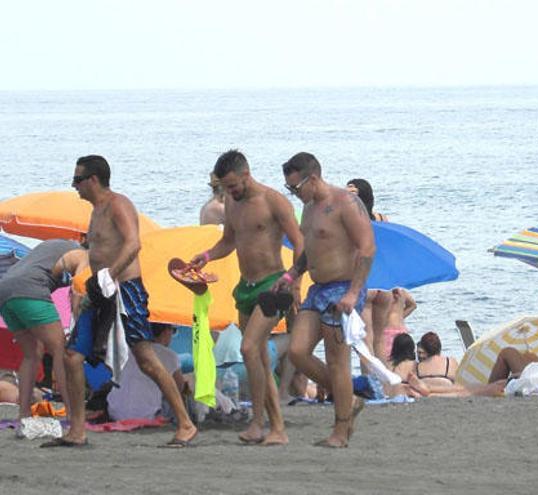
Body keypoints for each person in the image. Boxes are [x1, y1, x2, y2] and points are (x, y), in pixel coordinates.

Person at [45, 155, 197, 448]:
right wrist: (91, 281)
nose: (73, 185)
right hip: (100, 291)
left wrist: (111, 275)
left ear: (93, 179)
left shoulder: (118, 204)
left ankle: (186, 424)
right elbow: (99, 249)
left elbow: (133, 243)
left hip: (126, 290)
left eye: (77, 179)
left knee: (146, 359)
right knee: (72, 355)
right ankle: (77, 431)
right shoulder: (95, 211)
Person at [189, 150, 304, 446]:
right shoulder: (231, 203)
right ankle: (259, 425)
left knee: (249, 348)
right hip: (246, 287)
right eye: (225, 187)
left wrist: (294, 281)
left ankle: (274, 426)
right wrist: (205, 256)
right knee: (260, 359)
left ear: (246, 175)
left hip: (273, 285)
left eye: (233, 185)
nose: (229, 192)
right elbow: (228, 241)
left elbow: (301, 244)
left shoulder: (273, 201)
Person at [280, 152, 376, 448]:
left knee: (338, 363)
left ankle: (341, 430)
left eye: (296, 188)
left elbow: (367, 247)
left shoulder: (344, 203)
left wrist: (352, 293)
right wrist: (292, 274)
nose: (294, 195)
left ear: (314, 178)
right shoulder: (308, 208)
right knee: (297, 351)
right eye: (289, 190)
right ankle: (351, 399)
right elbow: (312, 247)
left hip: (344, 287)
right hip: (318, 288)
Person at [0, 239, 88, 422]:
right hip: (30, 289)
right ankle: (73, 413)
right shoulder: (85, 256)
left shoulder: (54, 245)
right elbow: (79, 288)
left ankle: (23, 414)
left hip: (5, 289)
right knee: (61, 352)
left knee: (32, 354)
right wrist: (77, 323)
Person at [107, 323, 184, 421]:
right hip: (146, 415)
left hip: (114, 412)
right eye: (173, 331)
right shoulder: (169, 355)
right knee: (174, 398)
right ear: (166, 331)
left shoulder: (128, 349)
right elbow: (179, 387)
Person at [370, 287, 417, 364]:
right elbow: (413, 305)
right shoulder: (402, 291)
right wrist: (400, 317)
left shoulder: (382, 292)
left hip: (387, 330)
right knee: (405, 358)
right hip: (402, 330)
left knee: (387, 360)